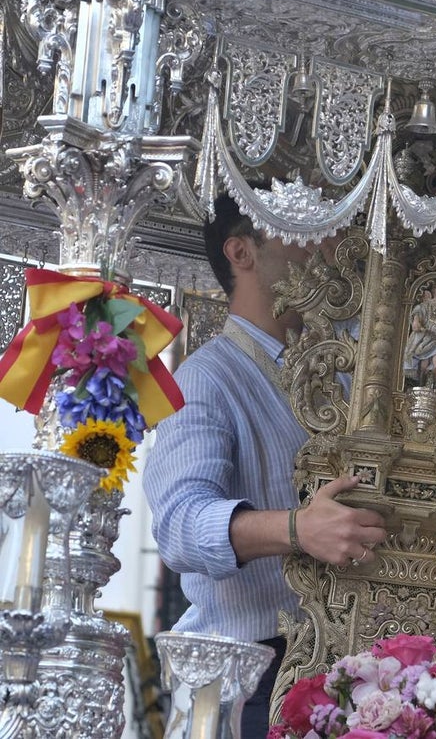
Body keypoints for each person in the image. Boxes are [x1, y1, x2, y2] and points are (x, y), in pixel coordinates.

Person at [142, 193, 387, 737]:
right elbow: (180, 527)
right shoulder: (206, 378)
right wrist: (298, 529)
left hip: (350, 669)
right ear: (241, 252)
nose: (327, 245)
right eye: (301, 232)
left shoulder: (345, 374)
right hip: (250, 675)